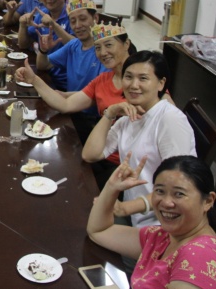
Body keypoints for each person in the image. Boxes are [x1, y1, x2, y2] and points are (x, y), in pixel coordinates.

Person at [83, 50, 196, 227]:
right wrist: (110, 113)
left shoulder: (170, 119)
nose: (134, 85)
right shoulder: (128, 117)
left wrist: (125, 208)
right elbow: (90, 154)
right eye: (128, 77)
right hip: (135, 217)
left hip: (162, 223)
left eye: (143, 78)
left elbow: (179, 185)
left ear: (161, 84)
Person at [15, 23, 136, 187]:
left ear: (126, 44)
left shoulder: (143, 82)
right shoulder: (103, 80)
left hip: (130, 166)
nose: (103, 53)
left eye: (109, 45)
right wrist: (34, 80)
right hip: (100, 155)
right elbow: (66, 104)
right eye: (98, 48)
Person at [87, 154, 216, 288]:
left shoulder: (200, 257)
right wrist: (112, 187)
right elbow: (99, 230)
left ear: (208, 201)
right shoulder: (162, 237)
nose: (166, 202)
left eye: (179, 194)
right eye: (160, 191)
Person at [36, 0, 108, 143]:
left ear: (95, 18)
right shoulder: (74, 45)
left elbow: (100, 94)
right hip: (70, 111)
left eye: (83, 19)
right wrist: (43, 51)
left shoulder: (105, 52)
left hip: (92, 119)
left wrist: (64, 95)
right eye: (73, 21)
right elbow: (43, 65)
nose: (78, 25)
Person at [18, 0, 73, 90]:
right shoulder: (42, 13)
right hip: (44, 72)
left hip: (66, 82)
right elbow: (23, 44)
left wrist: (54, 25)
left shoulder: (73, 15)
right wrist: (22, 25)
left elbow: (78, 46)